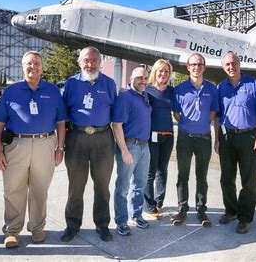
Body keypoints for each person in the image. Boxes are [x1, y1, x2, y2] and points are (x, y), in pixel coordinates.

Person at [0, 50, 66, 248]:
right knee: (13, 189)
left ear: (42, 67)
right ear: (22, 66)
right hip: (16, 145)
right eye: (29, 64)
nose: (33, 67)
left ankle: (37, 227)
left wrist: (60, 148)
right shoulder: (11, 91)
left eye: (36, 64)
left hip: (46, 144)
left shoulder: (52, 91)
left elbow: (61, 122)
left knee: (40, 189)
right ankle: (12, 231)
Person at [60, 47, 117, 243]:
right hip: (77, 138)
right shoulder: (71, 84)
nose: (90, 64)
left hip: (103, 139)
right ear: (79, 62)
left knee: (102, 185)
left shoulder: (109, 84)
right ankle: (72, 225)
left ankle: (102, 225)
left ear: (100, 62)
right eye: (86, 60)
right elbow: (63, 115)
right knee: (76, 185)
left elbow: (116, 114)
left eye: (94, 60)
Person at [214, 52, 256, 234]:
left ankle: (245, 218)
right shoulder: (221, 87)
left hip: (250, 137)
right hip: (227, 138)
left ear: (239, 64)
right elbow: (217, 117)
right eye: (227, 65)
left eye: (233, 63)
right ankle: (231, 211)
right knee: (227, 178)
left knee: (248, 180)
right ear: (223, 67)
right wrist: (217, 139)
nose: (231, 67)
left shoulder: (254, 84)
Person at [171, 53, 219, 227]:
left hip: (204, 138)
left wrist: (202, 124)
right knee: (182, 175)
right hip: (185, 138)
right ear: (188, 67)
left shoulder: (213, 89)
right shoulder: (179, 89)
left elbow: (214, 113)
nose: (196, 67)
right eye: (193, 64)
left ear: (204, 67)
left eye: (199, 64)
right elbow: (176, 113)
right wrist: (186, 123)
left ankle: (201, 210)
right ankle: (182, 209)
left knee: (202, 176)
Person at [112, 66, 152, 236]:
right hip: (130, 146)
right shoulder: (124, 97)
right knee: (123, 186)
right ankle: (121, 221)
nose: (143, 81)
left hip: (145, 146)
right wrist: (124, 150)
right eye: (139, 78)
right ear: (131, 78)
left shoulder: (144, 96)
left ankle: (136, 215)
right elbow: (116, 125)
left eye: (145, 78)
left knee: (140, 184)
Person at [144, 59, 175, 218]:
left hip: (168, 135)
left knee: (162, 170)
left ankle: (159, 203)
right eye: (161, 71)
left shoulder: (171, 91)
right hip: (151, 135)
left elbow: (177, 112)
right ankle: (149, 206)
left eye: (167, 71)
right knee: (150, 171)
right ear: (155, 71)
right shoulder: (147, 90)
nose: (163, 74)